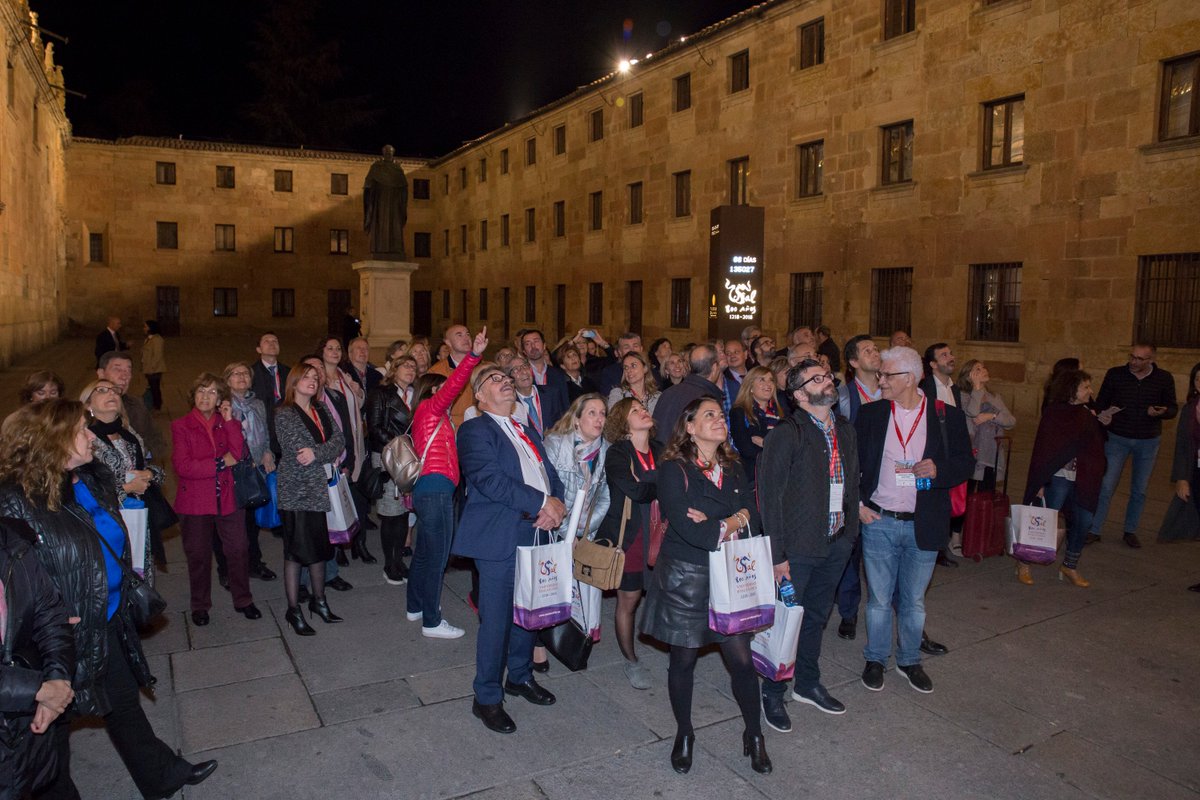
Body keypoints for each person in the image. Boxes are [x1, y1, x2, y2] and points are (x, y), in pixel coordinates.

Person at [0, 400, 218, 798]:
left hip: (108, 615)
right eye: (81, 432)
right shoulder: (16, 502)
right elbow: (17, 579)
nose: (90, 438)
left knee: (121, 703)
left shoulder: (82, 480)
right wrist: (48, 623)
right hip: (59, 638)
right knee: (49, 736)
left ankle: (161, 776)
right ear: (51, 442)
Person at [640, 397, 770, 774]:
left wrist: (725, 519)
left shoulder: (732, 465)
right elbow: (687, 527)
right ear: (690, 426)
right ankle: (684, 732)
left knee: (743, 662)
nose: (719, 420)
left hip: (730, 574)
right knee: (682, 660)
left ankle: (755, 733)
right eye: (708, 415)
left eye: (720, 414)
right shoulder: (673, 469)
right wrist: (733, 516)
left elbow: (753, 513)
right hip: (687, 577)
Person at [454, 362, 566, 734]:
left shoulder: (528, 430)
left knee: (528, 611)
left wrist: (558, 505)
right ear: (480, 395)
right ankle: (486, 696)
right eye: (493, 380)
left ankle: (518, 676)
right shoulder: (474, 429)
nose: (503, 382)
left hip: (536, 532)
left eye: (506, 378)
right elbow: (490, 480)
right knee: (497, 619)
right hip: (500, 535)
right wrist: (541, 503)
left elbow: (550, 475)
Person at [854, 346, 974, 695]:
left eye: (886, 375)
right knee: (877, 600)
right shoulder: (872, 414)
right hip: (880, 520)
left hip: (924, 521)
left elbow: (965, 463)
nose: (880, 380)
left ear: (909, 378)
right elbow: (853, 462)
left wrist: (939, 471)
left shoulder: (945, 416)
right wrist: (859, 505)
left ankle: (908, 660)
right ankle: (875, 658)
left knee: (913, 600)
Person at [758, 359, 859, 732]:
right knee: (786, 622)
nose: (828, 380)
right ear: (800, 394)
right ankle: (773, 691)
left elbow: (852, 484)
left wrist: (849, 536)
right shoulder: (787, 433)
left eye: (828, 375)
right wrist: (777, 555)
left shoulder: (844, 428)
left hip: (836, 542)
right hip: (797, 548)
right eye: (817, 378)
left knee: (816, 617)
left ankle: (806, 683)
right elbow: (770, 497)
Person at [407, 329, 486, 638]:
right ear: (431, 391)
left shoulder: (427, 416)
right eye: (441, 390)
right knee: (438, 556)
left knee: (425, 552)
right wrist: (474, 356)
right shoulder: (431, 408)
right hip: (436, 488)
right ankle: (432, 620)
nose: (448, 393)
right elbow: (454, 384)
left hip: (431, 489)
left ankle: (415, 606)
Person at [171, 374, 260, 626]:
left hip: (227, 497)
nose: (205, 397)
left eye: (211, 392)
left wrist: (231, 421)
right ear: (193, 396)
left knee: (239, 549)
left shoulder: (226, 423)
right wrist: (221, 462)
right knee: (198, 555)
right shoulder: (181, 425)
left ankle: (243, 599)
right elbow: (184, 466)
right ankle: (200, 605)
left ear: (220, 398)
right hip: (196, 501)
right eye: (201, 391)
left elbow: (240, 453)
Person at [0, 516, 75, 800]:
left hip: (23, 723)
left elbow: (50, 613)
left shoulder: (12, 542)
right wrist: (39, 690)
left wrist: (57, 678)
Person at [535, 394, 610, 672]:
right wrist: (568, 531)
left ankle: (575, 639)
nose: (599, 419)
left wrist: (584, 529)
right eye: (592, 413)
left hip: (584, 532)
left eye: (602, 413)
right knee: (549, 589)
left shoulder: (604, 450)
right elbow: (549, 491)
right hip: (554, 527)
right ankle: (539, 645)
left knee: (580, 591)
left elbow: (606, 497)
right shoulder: (555, 445)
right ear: (576, 419)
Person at [274, 362, 347, 635]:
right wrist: (318, 453)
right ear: (294, 382)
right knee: (295, 551)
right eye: (306, 377)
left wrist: (318, 453)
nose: (313, 381)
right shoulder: (284, 414)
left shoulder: (322, 408)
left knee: (319, 548)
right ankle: (293, 610)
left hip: (319, 489)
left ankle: (320, 601)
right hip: (296, 492)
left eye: (316, 378)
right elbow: (298, 451)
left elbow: (339, 441)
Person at [597, 398, 662, 689]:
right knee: (630, 599)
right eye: (635, 410)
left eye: (643, 407)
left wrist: (648, 482)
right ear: (623, 423)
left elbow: (679, 485)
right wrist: (658, 484)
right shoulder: (618, 453)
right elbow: (633, 490)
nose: (643, 411)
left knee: (665, 593)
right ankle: (630, 660)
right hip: (632, 535)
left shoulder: (662, 449)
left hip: (663, 532)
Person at [1022, 369, 1107, 587]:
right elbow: (1044, 451)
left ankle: (1069, 565)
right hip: (1058, 477)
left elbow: (1096, 446)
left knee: (1084, 520)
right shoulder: (1054, 413)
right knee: (1042, 519)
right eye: (1085, 387)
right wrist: (1039, 482)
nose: (1090, 391)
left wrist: (1101, 422)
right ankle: (1024, 562)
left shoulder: (1088, 413)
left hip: (1084, 477)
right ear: (1072, 390)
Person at [1090, 343, 1178, 548]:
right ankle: (1094, 529)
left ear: (1151, 360)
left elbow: (1172, 408)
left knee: (1139, 489)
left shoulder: (1164, 378)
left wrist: (1161, 412)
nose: (1133, 362)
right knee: (1106, 485)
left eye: (1139, 359)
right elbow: (1101, 402)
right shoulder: (1115, 374)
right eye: (1132, 357)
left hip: (1148, 440)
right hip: (1117, 437)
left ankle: (1130, 530)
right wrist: (1104, 415)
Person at [80, 379, 166, 576]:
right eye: (101, 390)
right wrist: (127, 488)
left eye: (115, 391)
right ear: (88, 404)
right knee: (114, 577)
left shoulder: (128, 434)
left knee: (140, 577)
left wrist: (149, 473)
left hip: (136, 518)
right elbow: (86, 490)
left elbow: (156, 472)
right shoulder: (85, 439)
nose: (111, 394)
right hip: (106, 523)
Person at [834, 334, 883, 641]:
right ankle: (849, 612)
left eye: (876, 348)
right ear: (853, 362)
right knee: (851, 551)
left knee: (884, 551)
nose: (874, 353)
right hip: (856, 482)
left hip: (888, 483)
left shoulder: (893, 390)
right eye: (867, 350)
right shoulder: (844, 396)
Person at [317, 337, 372, 564]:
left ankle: (359, 543)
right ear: (321, 352)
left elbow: (357, 405)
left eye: (338, 348)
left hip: (353, 441)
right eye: (330, 348)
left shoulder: (344, 376)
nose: (335, 352)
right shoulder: (317, 378)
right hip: (332, 447)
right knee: (336, 498)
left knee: (358, 496)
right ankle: (337, 547)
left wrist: (358, 392)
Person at [220, 362, 277, 581]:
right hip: (233, 471)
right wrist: (244, 460)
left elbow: (265, 434)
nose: (242, 377)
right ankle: (228, 569)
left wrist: (267, 452)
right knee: (231, 525)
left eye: (245, 373)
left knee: (251, 522)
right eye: (236, 374)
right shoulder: (223, 406)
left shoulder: (258, 404)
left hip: (257, 470)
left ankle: (255, 562)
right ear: (227, 380)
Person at [364, 354, 417, 584]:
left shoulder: (416, 396)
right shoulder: (381, 393)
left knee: (405, 512)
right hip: (389, 456)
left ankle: (400, 561)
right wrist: (400, 447)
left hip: (412, 460)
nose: (410, 369)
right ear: (394, 369)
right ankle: (390, 564)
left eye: (414, 367)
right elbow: (374, 427)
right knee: (390, 513)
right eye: (405, 365)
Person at [957, 359, 1017, 488]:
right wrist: (977, 388)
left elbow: (1011, 421)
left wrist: (992, 416)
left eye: (983, 367)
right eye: (978, 369)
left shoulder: (994, 396)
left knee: (986, 496)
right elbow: (972, 412)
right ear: (969, 376)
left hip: (991, 452)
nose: (984, 370)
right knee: (968, 493)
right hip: (972, 451)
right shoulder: (963, 395)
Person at [652, 344, 724, 446]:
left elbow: (656, 433)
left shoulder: (668, 392)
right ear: (714, 367)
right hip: (690, 459)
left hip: (662, 457)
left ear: (689, 366)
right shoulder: (707, 399)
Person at [97, 351, 161, 462]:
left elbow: (157, 441)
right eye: (117, 369)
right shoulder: (85, 410)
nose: (124, 376)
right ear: (101, 373)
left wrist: (144, 457)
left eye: (128, 370)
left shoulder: (137, 405)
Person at [1162, 362, 1200, 549]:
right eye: (1198, 378)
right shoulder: (1190, 409)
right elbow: (1183, 445)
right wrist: (1182, 478)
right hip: (1197, 471)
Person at [729, 366, 782, 488]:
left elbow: (789, 447)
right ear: (750, 386)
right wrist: (777, 449)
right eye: (762, 380)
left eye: (771, 380)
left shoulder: (781, 413)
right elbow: (747, 450)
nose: (768, 384)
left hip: (780, 476)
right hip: (753, 478)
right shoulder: (739, 412)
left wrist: (765, 443)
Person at [428, 325, 480, 427]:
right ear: (448, 342)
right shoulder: (436, 371)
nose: (466, 338)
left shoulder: (482, 367)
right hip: (453, 427)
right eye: (459, 335)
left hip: (480, 424)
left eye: (468, 334)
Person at [520, 329, 571, 419]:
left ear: (544, 346)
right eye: (528, 344)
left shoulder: (558, 374)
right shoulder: (520, 376)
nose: (533, 346)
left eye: (536, 341)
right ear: (524, 351)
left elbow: (565, 405)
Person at [607, 351, 662, 416]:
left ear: (645, 368)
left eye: (633, 366)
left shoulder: (658, 396)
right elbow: (613, 420)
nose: (629, 370)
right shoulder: (618, 394)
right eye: (626, 367)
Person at [141, 320, 166, 412]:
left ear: (151, 328)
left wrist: (152, 368)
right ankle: (154, 404)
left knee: (155, 387)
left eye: (145, 326)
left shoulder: (157, 339)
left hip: (155, 369)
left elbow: (157, 356)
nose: (144, 328)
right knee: (152, 387)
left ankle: (157, 405)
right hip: (149, 368)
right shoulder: (149, 339)